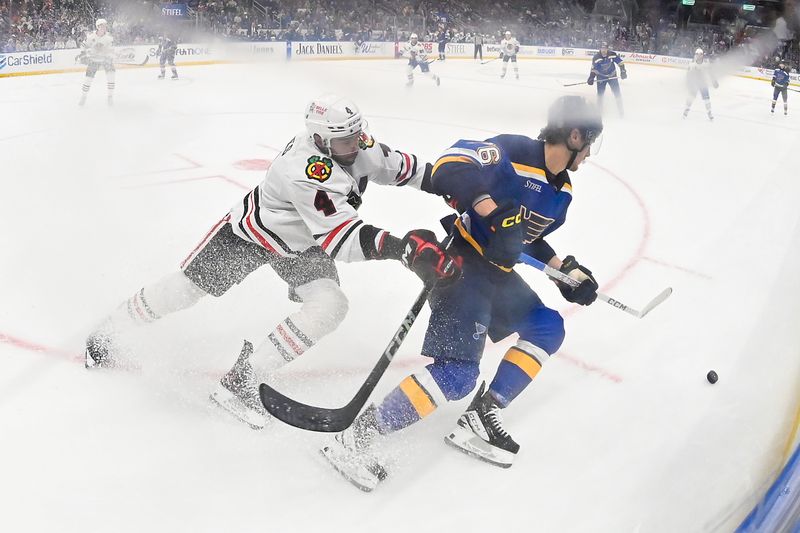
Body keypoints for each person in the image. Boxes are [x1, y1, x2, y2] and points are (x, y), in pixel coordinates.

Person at [84, 94, 459, 430]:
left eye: (358, 135)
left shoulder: (352, 142)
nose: (357, 145)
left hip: (302, 245)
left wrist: (456, 185)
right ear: (320, 141)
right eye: (346, 140)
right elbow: (340, 238)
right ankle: (110, 329)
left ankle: (242, 380)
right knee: (186, 290)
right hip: (251, 236)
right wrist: (404, 249)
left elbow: (401, 167)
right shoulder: (308, 171)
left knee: (329, 306)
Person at [320, 95, 604, 492]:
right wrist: (490, 209)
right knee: (457, 374)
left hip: (499, 276)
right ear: (575, 135)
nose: (590, 153)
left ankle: (481, 416)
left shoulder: (563, 193)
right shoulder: (515, 150)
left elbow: (526, 240)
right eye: (590, 142)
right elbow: (449, 166)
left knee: (547, 326)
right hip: (461, 267)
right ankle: (355, 437)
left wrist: (565, 271)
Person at [78, 19, 115, 106]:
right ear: (98, 27)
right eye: (102, 26)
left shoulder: (109, 38)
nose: (104, 27)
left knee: (111, 76)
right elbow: (83, 45)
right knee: (88, 79)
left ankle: (110, 97)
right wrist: (83, 54)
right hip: (94, 60)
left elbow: (111, 49)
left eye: (105, 26)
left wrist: (109, 57)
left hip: (105, 59)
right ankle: (83, 97)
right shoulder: (91, 36)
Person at [587, 42, 626, 117]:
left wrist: (623, 71)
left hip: (612, 76)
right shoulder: (596, 57)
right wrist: (591, 77)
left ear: (607, 49)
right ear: (600, 49)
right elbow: (593, 69)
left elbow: (620, 63)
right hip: (601, 77)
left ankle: (621, 112)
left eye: (605, 48)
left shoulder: (612, 54)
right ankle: (599, 112)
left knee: (617, 93)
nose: (603, 50)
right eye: (602, 48)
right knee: (600, 95)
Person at [683, 48, 717, 121]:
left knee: (707, 99)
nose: (699, 56)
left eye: (700, 54)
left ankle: (709, 113)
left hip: (703, 83)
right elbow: (688, 75)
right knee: (691, 97)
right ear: (695, 55)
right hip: (695, 83)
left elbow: (710, 73)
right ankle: (686, 111)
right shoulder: (692, 64)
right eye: (697, 54)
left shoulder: (706, 63)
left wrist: (714, 81)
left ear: (702, 55)